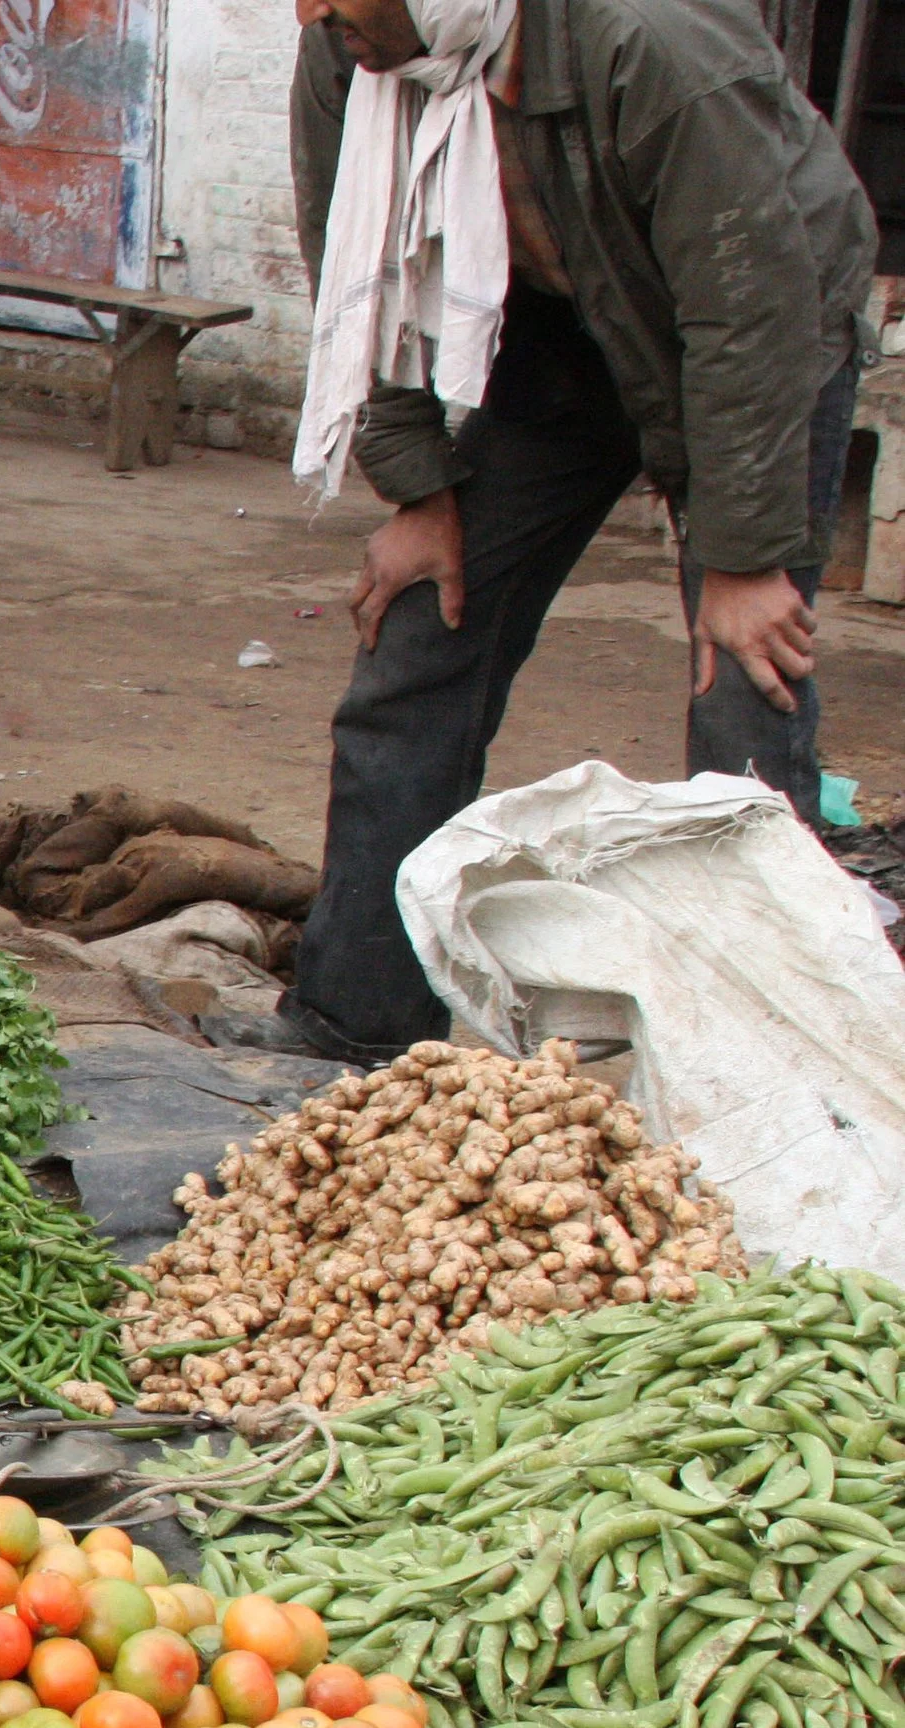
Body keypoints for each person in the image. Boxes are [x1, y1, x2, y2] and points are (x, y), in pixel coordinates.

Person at [274, 0, 876, 1062]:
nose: (313, 10)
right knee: (418, 638)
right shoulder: (355, 53)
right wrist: (418, 492)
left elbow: (752, 311)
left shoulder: (651, 43)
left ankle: (756, 1059)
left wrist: (738, 560)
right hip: (552, 332)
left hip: (758, 328)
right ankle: (348, 1023)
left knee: (742, 685)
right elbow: (352, 267)